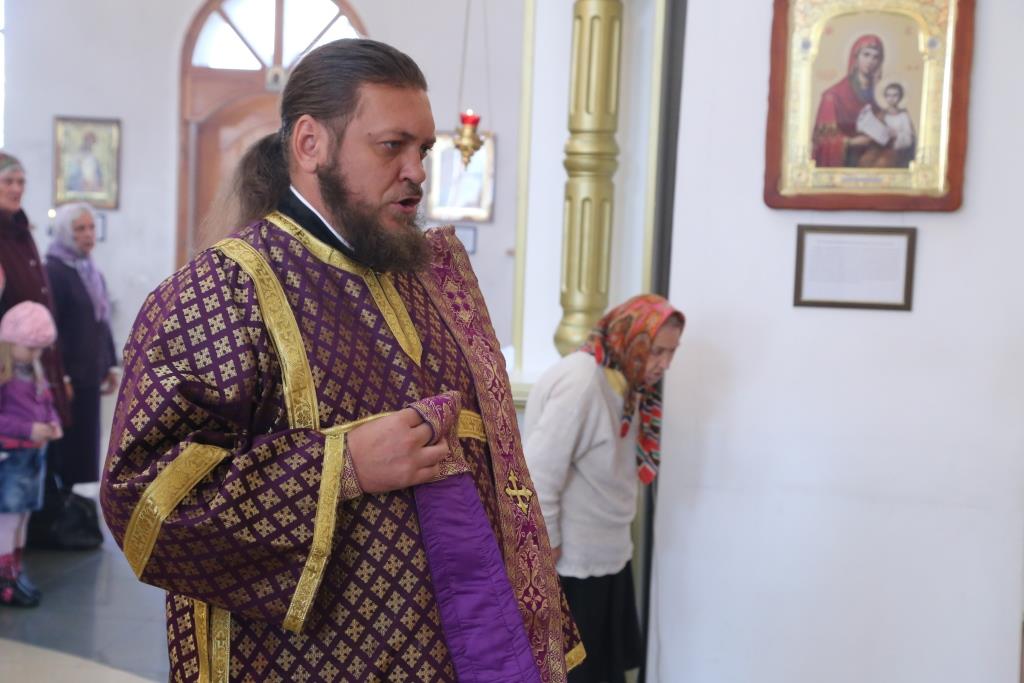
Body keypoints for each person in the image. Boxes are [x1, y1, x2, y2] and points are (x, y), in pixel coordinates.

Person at [101, 39, 582, 682]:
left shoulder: (425, 280)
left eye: (424, 150)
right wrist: (341, 466)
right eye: (392, 146)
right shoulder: (222, 289)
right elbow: (142, 499)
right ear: (310, 145)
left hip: (447, 653)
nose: (417, 171)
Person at [524, 294, 684, 683]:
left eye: (672, 352)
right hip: (573, 566)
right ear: (631, 338)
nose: (665, 364)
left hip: (607, 556)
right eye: (657, 351)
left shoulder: (622, 378)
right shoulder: (581, 382)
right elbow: (539, 473)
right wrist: (548, 545)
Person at [46, 203, 119, 495]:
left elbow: (102, 321)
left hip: (89, 374)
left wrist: (110, 365)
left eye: (91, 227)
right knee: (66, 448)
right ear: (66, 233)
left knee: (84, 448)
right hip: (67, 379)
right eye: (79, 229)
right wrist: (60, 376)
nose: (88, 234)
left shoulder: (90, 271)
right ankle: (59, 509)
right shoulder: (53, 271)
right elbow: (52, 328)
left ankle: (72, 505)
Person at [0, 152, 71, 428]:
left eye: (21, 182)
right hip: (8, 364)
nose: (16, 189)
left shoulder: (21, 229)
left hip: (36, 358)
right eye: (8, 181)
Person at [0, 302, 63, 607]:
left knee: (23, 517)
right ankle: (4, 577)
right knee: (8, 518)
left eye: (40, 349)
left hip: (33, 458)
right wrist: (28, 429)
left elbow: (47, 404)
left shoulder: (34, 371)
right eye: (30, 348)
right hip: (10, 458)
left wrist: (53, 423)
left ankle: (15, 570)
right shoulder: (5, 375)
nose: (36, 355)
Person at [812, 34, 889, 168]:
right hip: (847, 162)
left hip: (875, 159)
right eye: (866, 55)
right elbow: (821, 139)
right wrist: (852, 142)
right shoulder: (833, 96)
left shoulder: (883, 95)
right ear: (855, 57)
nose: (870, 61)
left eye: (876, 57)